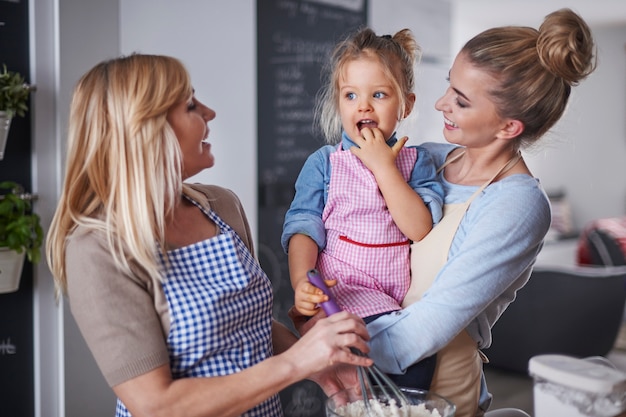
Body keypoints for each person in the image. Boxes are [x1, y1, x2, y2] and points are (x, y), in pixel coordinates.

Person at [45, 54, 373, 417]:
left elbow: (254, 326)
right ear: (145, 129)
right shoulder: (96, 250)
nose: (209, 113)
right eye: (190, 105)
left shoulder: (221, 205)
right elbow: (156, 405)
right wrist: (297, 362)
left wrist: (322, 365)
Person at [347, 8, 596, 417]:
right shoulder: (423, 158)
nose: (441, 102)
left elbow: (432, 321)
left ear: (508, 128)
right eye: (449, 84)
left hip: (435, 394)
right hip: (364, 378)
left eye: (460, 101)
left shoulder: (517, 205)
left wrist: (334, 351)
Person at [281, 27, 444, 391]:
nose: (363, 106)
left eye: (379, 95)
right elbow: (303, 227)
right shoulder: (325, 163)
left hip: (393, 303)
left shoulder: (416, 163)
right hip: (341, 295)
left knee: (417, 363)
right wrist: (301, 282)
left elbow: (419, 228)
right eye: (350, 94)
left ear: (406, 105)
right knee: (365, 367)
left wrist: (384, 167)